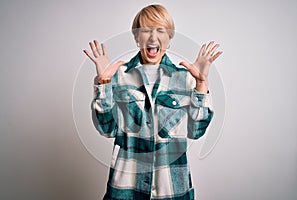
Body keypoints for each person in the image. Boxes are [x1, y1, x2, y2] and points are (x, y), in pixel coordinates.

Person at [83, 4, 222, 200]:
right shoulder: (118, 76)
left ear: (169, 38)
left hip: (172, 191)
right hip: (126, 190)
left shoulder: (186, 78)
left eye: (160, 30)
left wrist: (201, 83)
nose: (153, 37)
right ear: (137, 37)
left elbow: (196, 131)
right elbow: (107, 129)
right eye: (146, 30)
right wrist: (104, 82)